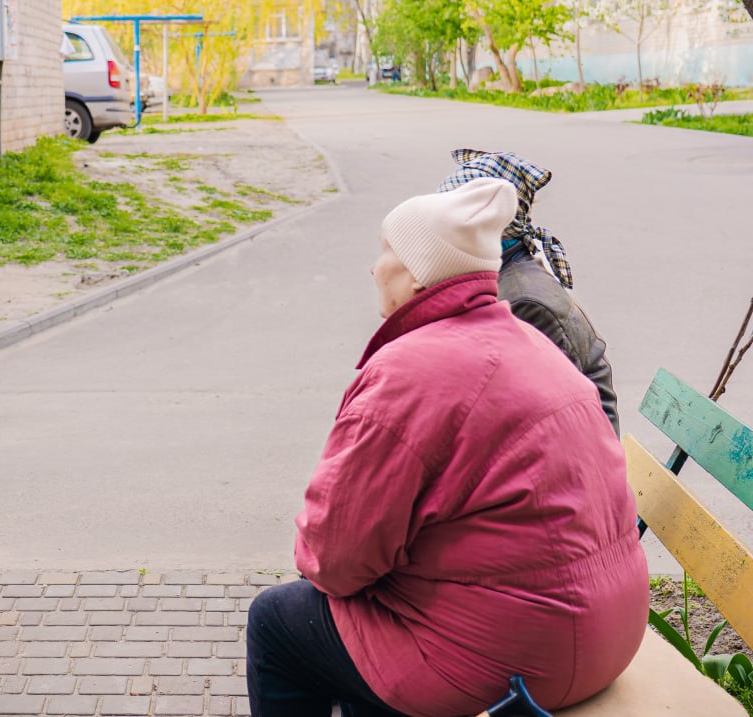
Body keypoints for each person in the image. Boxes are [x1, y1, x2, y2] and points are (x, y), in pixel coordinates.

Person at [245, 179, 648, 717]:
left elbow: (335, 559)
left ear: (419, 272)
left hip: (515, 661)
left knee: (278, 619)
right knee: (360, 625)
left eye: (385, 250)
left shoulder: (408, 370)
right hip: (609, 636)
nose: (373, 268)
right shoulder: (530, 342)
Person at [438, 149, 619, 434]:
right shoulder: (509, 274)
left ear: (488, 226)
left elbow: (554, 416)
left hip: (579, 450)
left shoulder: (523, 302)